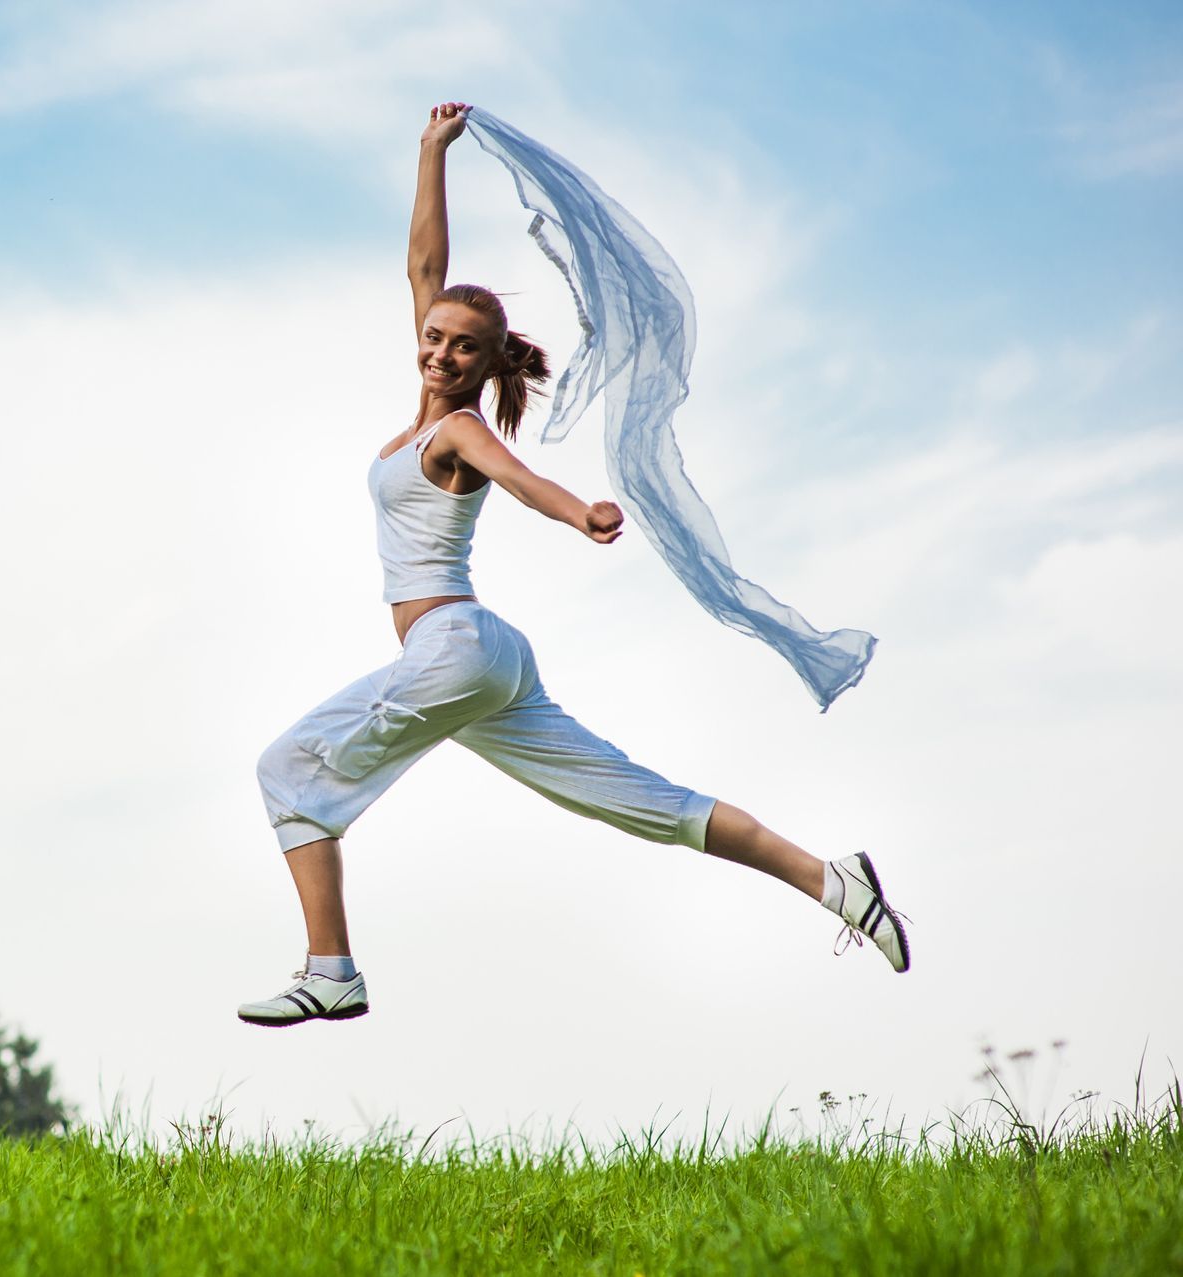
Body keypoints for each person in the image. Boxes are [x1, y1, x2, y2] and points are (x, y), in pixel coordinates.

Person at [238, 102, 908, 1028]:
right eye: (432, 337)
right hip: (486, 667)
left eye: (460, 346)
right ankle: (831, 880)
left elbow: (518, 478)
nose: (438, 351)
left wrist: (577, 511)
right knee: (642, 802)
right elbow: (424, 266)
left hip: (453, 649)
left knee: (287, 770)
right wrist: (431, 151)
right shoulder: (428, 400)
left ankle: (331, 969)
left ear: (486, 362)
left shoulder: (460, 427)